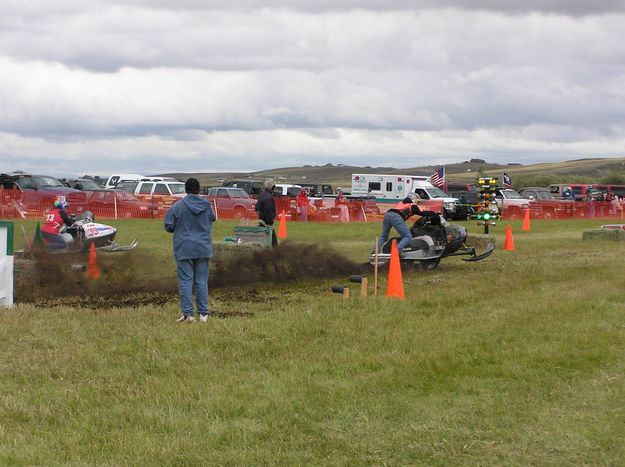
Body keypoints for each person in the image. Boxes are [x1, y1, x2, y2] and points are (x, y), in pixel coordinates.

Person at [164, 178, 216, 323]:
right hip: (203, 248)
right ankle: (203, 314)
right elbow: (212, 218)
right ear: (199, 189)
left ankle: (188, 314)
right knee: (201, 280)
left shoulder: (178, 206)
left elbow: (169, 226)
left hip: (184, 248)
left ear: (186, 190)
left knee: (186, 281)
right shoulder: (207, 205)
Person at [256, 179, 278, 247]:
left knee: (263, 243)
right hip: (266, 224)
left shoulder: (262, 195)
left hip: (261, 222)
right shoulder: (269, 197)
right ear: (272, 187)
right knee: (274, 244)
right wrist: (270, 222)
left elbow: (256, 207)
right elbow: (268, 211)